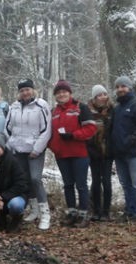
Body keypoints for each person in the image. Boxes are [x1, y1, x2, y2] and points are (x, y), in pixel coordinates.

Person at [4, 78, 52, 230]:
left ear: (32, 90)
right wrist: (11, 145)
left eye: (27, 89)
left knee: (36, 179)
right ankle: (34, 209)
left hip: (35, 150)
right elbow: (7, 128)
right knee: (25, 180)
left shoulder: (41, 105)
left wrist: (37, 148)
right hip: (19, 150)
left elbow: (46, 129)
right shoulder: (14, 107)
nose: (25, 92)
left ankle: (45, 214)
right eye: (22, 90)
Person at [48, 80, 97, 228]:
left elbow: (91, 129)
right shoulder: (53, 112)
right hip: (61, 155)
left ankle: (83, 214)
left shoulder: (80, 108)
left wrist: (74, 135)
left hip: (79, 153)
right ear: (55, 96)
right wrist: (53, 148)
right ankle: (72, 213)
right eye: (58, 92)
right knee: (68, 184)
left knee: (81, 185)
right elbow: (49, 134)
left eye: (64, 92)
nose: (61, 94)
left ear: (70, 93)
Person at [108, 76, 136, 223]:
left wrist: (128, 141)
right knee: (126, 184)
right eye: (118, 87)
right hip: (119, 154)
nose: (120, 89)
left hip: (134, 153)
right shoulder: (117, 108)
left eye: (123, 86)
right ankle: (129, 211)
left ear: (130, 88)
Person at [87, 85, 114, 221]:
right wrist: (91, 150)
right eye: (99, 95)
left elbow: (114, 131)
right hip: (93, 152)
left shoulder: (112, 110)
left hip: (108, 152)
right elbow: (86, 132)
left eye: (105, 94)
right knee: (96, 181)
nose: (103, 97)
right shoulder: (87, 111)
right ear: (94, 98)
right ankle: (96, 211)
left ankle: (106, 212)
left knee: (107, 182)